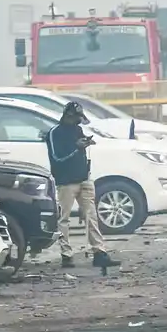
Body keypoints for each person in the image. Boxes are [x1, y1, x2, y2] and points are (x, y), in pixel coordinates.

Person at [46, 101, 120, 269]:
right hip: (66, 182)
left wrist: (84, 145)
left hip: (84, 178)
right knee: (63, 219)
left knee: (91, 216)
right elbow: (57, 157)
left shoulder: (77, 130)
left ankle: (99, 252)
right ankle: (66, 254)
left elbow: (78, 151)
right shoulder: (54, 133)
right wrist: (76, 148)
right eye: (77, 118)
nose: (79, 122)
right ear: (69, 116)